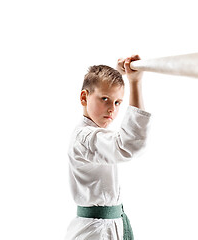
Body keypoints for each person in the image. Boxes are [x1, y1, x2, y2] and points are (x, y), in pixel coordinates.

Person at [65, 55, 151, 240]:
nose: (112, 108)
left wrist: (120, 74)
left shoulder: (95, 135)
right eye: (105, 99)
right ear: (83, 97)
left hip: (106, 227)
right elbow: (129, 145)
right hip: (95, 233)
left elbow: (119, 140)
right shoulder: (85, 138)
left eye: (118, 102)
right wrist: (134, 83)